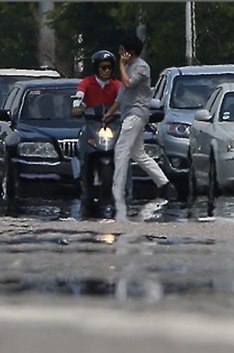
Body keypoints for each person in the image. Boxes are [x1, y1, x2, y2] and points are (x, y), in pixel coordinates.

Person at [102, 35, 178, 222]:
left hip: (137, 113)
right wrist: (109, 114)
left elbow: (128, 84)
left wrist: (121, 65)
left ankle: (117, 191)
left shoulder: (141, 67)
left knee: (121, 150)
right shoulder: (128, 68)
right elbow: (121, 97)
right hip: (127, 114)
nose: (119, 53)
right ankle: (165, 184)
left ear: (130, 52)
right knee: (138, 153)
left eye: (122, 50)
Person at [72, 49, 133, 201]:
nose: (106, 71)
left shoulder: (116, 85)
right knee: (83, 145)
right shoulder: (87, 82)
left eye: (109, 68)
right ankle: (82, 174)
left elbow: (126, 98)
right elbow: (80, 94)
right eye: (103, 67)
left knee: (126, 153)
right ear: (96, 68)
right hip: (93, 123)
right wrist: (77, 106)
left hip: (113, 123)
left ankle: (128, 189)